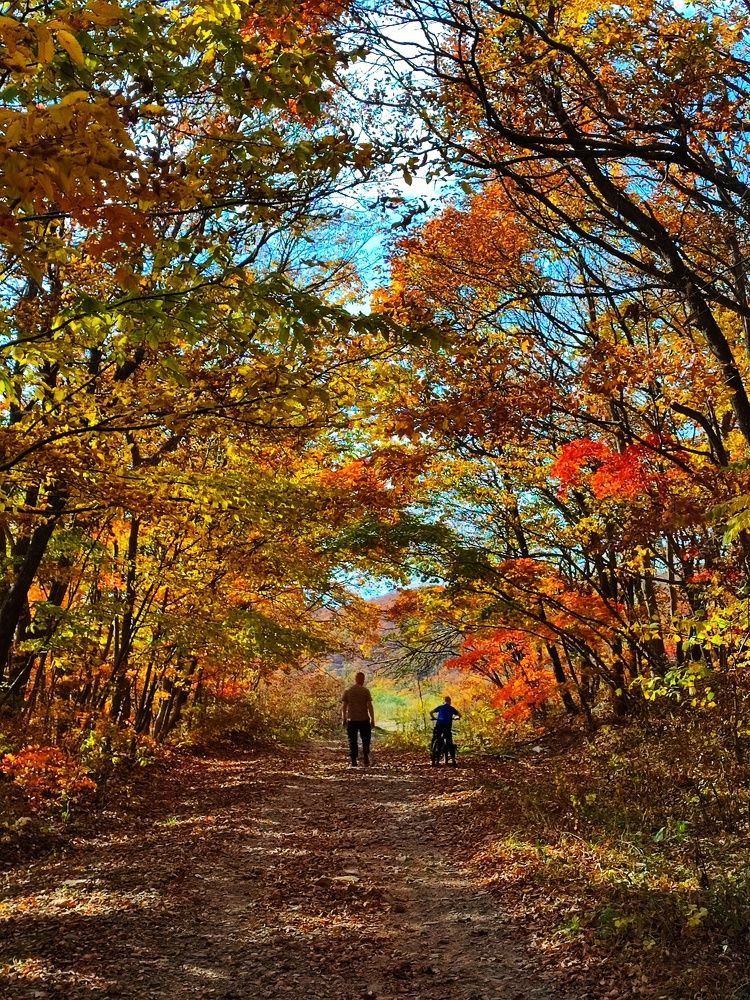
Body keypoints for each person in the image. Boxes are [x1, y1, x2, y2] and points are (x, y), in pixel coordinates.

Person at [342, 671, 375, 768]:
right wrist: (373, 719)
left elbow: (344, 706)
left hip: (351, 719)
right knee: (366, 739)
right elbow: (369, 706)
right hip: (364, 719)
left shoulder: (348, 691)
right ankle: (365, 756)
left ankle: (353, 760)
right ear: (363, 680)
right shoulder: (365, 691)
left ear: (355, 679)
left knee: (352, 740)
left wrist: (344, 718)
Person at [430, 696, 461, 765]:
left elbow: (430, 712)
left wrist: (433, 718)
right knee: (449, 742)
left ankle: (432, 755)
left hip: (439, 725)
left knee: (435, 738)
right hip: (447, 726)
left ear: (444, 701)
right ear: (450, 701)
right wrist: (456, 718)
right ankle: (453, 759)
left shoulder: (440, 707)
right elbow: (460, 715)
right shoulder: (451, 708)